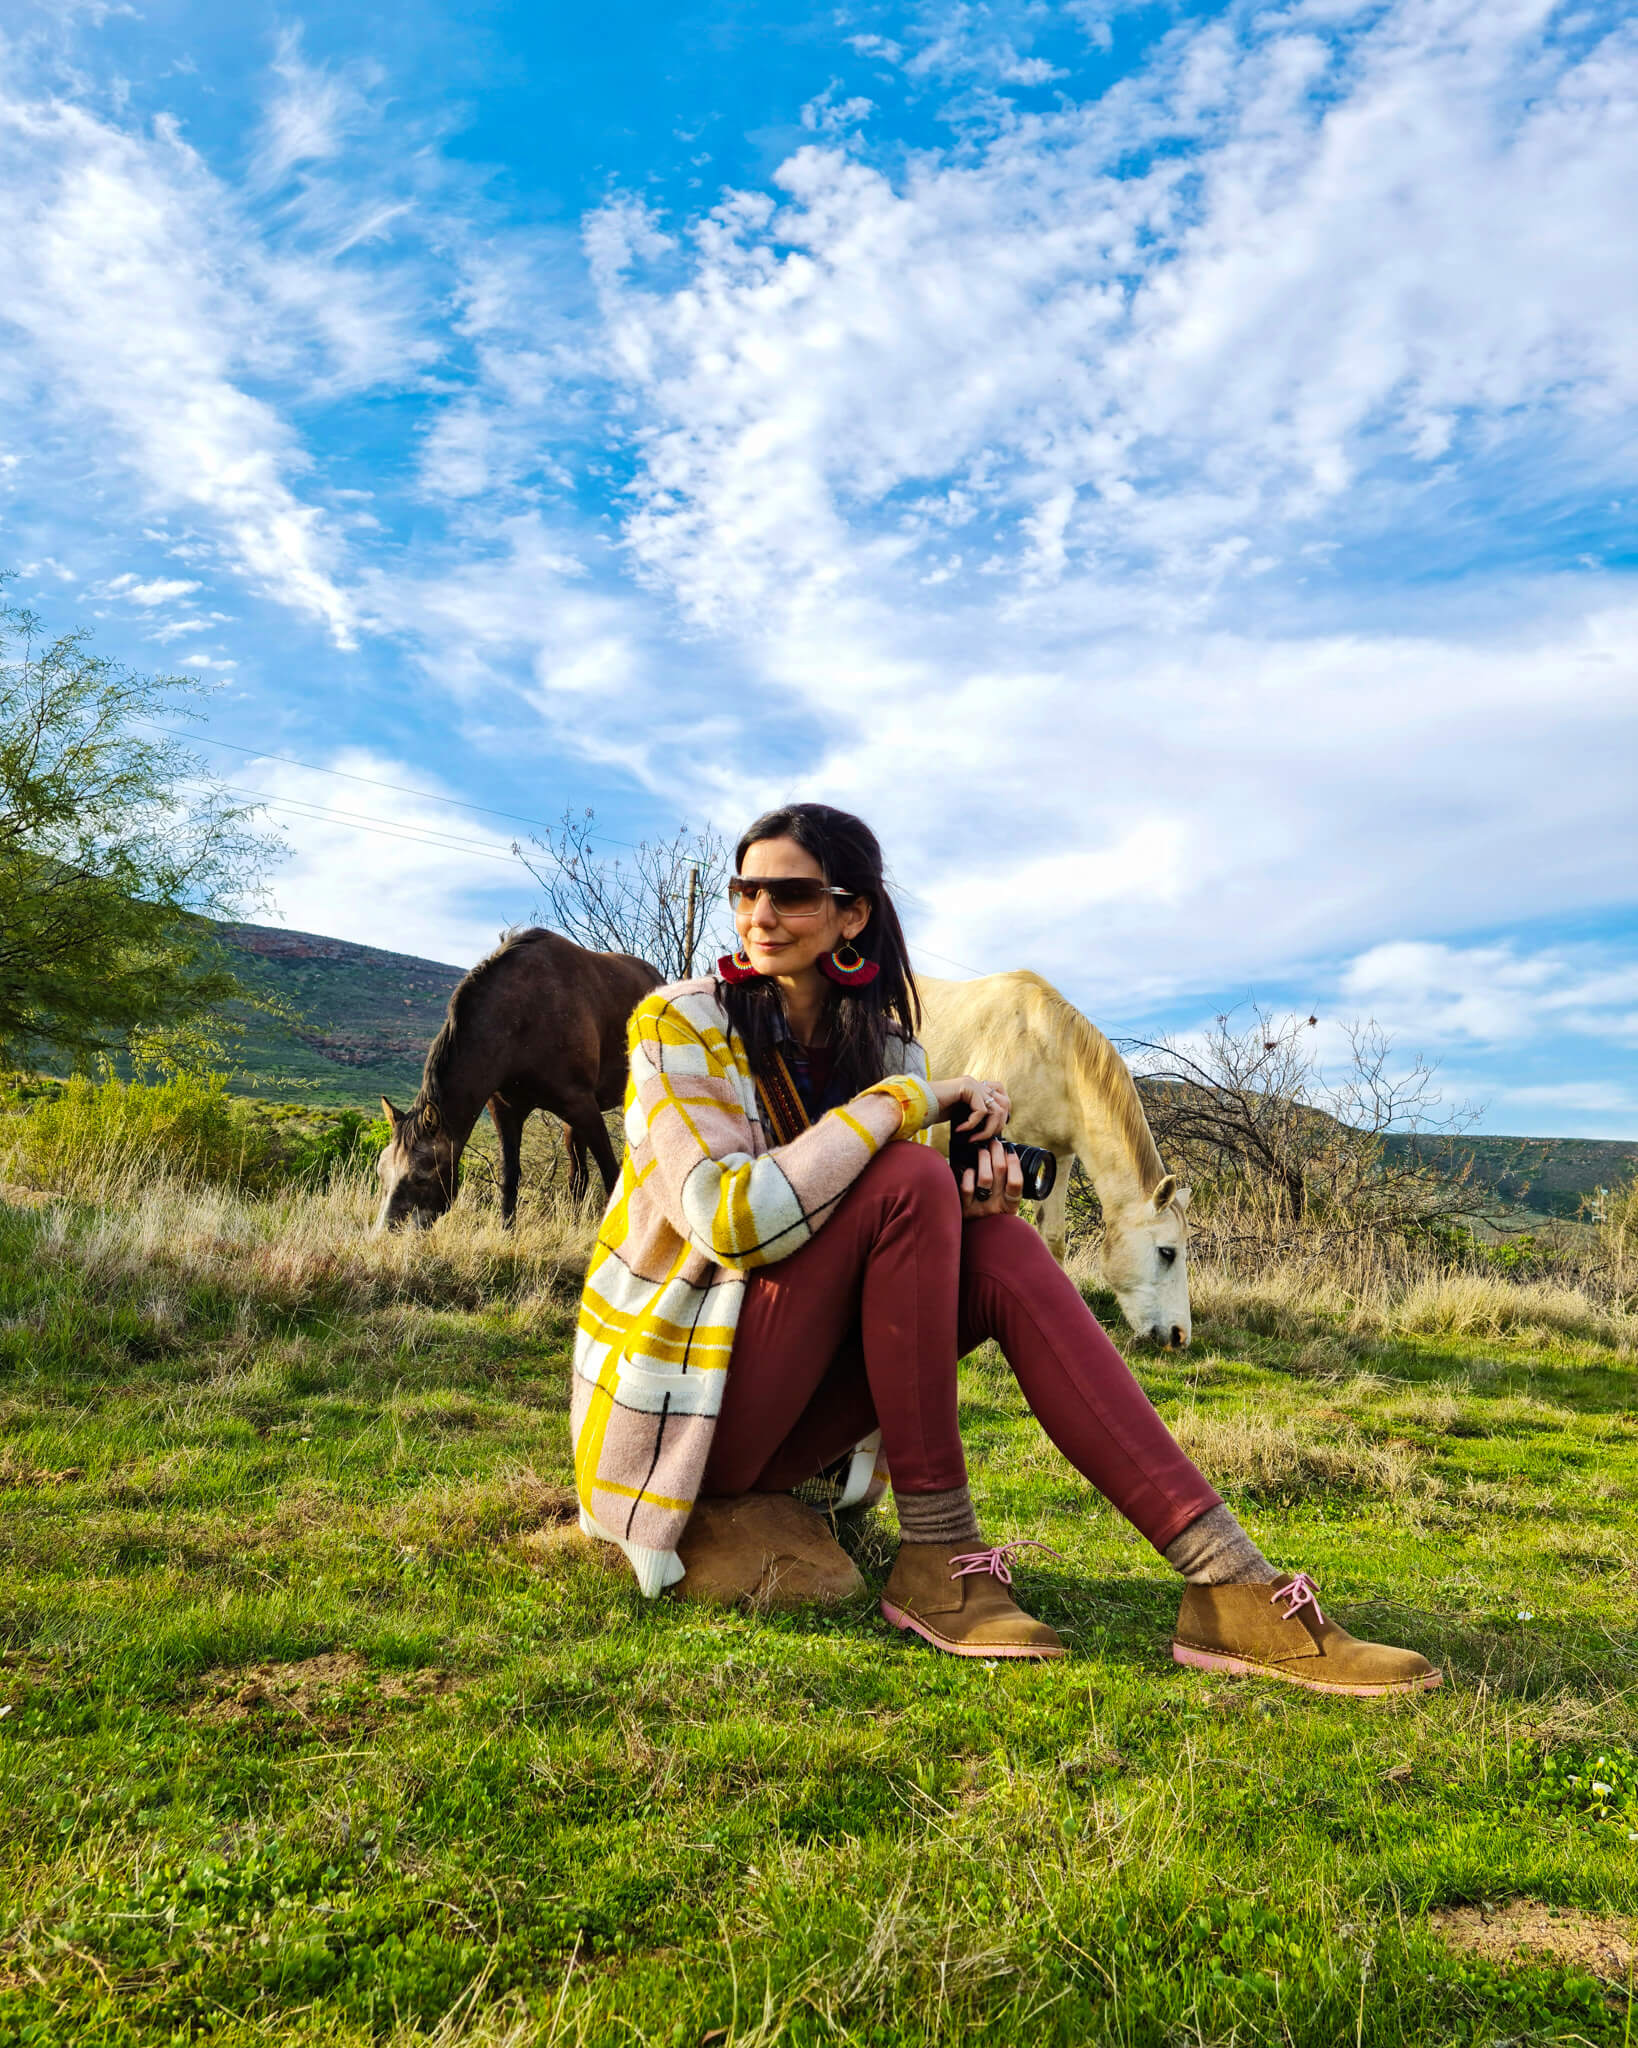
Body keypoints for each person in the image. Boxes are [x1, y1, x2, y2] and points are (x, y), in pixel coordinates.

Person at [571, 803, 1440, 1697]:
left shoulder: (889, 1047)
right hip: (686, 1407)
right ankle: (941, 1548)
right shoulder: (679, 1023)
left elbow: (868, 1230)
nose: (759, 915)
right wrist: (904, 1110)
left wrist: (963, 1207)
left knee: (1001, 1244)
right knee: (909, 1177)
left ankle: (1229, 1581)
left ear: (852, 914)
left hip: (799, 1416)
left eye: (790, 895)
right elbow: (730, 1220)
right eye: (745, 891)